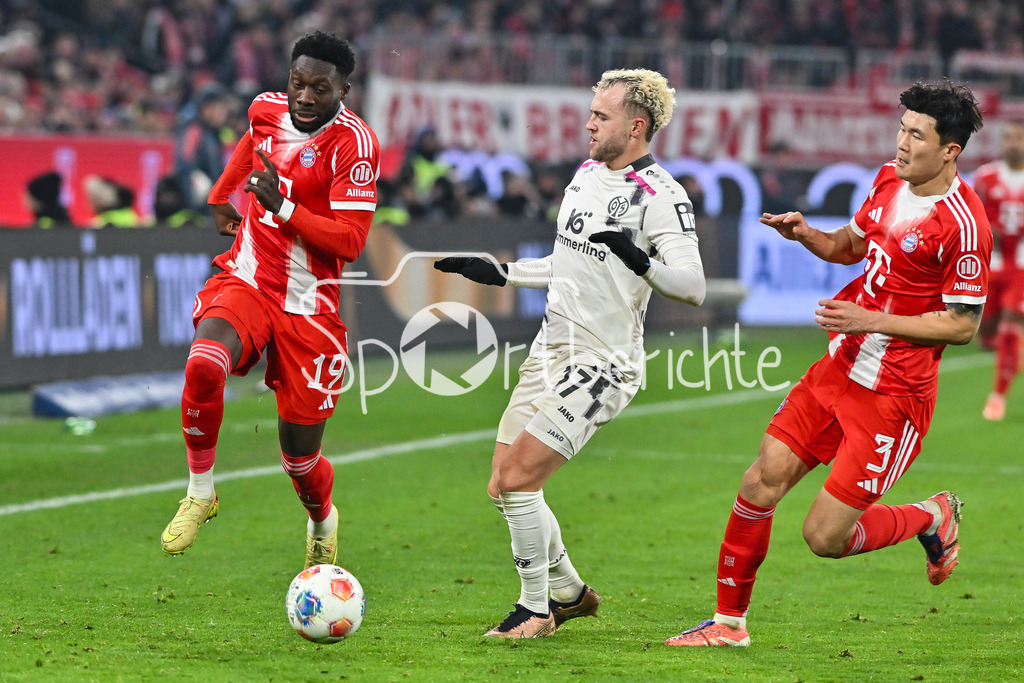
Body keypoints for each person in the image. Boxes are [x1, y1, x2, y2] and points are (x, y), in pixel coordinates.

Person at [666, 80, 990, 648]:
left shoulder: (963, 225)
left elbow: (964, 326)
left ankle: (931, 514)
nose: (902, 142)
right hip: (838, 370)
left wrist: (874, 322)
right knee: (759, 481)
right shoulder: (889, 181)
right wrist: (807, 235)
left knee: (824, 538)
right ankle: (728, 625)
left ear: (949, 151)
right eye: (901, 128)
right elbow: (852, 244)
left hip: (894, 399)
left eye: (917, 134)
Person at [435, 68, 707, 637]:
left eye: (601, 116)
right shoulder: (585, 175)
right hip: (551, 347)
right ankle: (569, 591)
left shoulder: (659, 196)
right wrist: (502, 271)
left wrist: (640, 261)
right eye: (591, 113)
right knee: (502, 485)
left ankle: (536, 611)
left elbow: (693, 285)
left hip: (603, 363)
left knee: (518, 480)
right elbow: (572, 263)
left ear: (636, 127)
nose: (588, 124)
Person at [159, 31, 380, 570]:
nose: (304, 97)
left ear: (343, 90)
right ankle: (200, 491)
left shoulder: (355, 146)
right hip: (251, 277)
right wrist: (220, 192)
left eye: (320, 88)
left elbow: (350, 241)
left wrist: (282, 207)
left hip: (311, 306)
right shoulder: (266, 108)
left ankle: (323, 519)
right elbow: (251, 147)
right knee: (204, 363)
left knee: (300, 460)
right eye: (297, 83)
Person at [975, 121, 1024, 420]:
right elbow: (971, 216)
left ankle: (998, 396)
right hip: (990, 266)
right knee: (986, 333)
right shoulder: (985, 177)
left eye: (1019, 138)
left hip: (1021, 265)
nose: (1013, 143)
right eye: (1008, 137)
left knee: (1010, 324)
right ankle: (1009, 354)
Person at [173, 82, 235, 211]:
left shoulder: (213, 134)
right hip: (197, 212)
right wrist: (192, 203)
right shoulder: (194, 130)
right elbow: (184, 164)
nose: (224, 113)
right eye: (221, 107)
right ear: (208, 108)